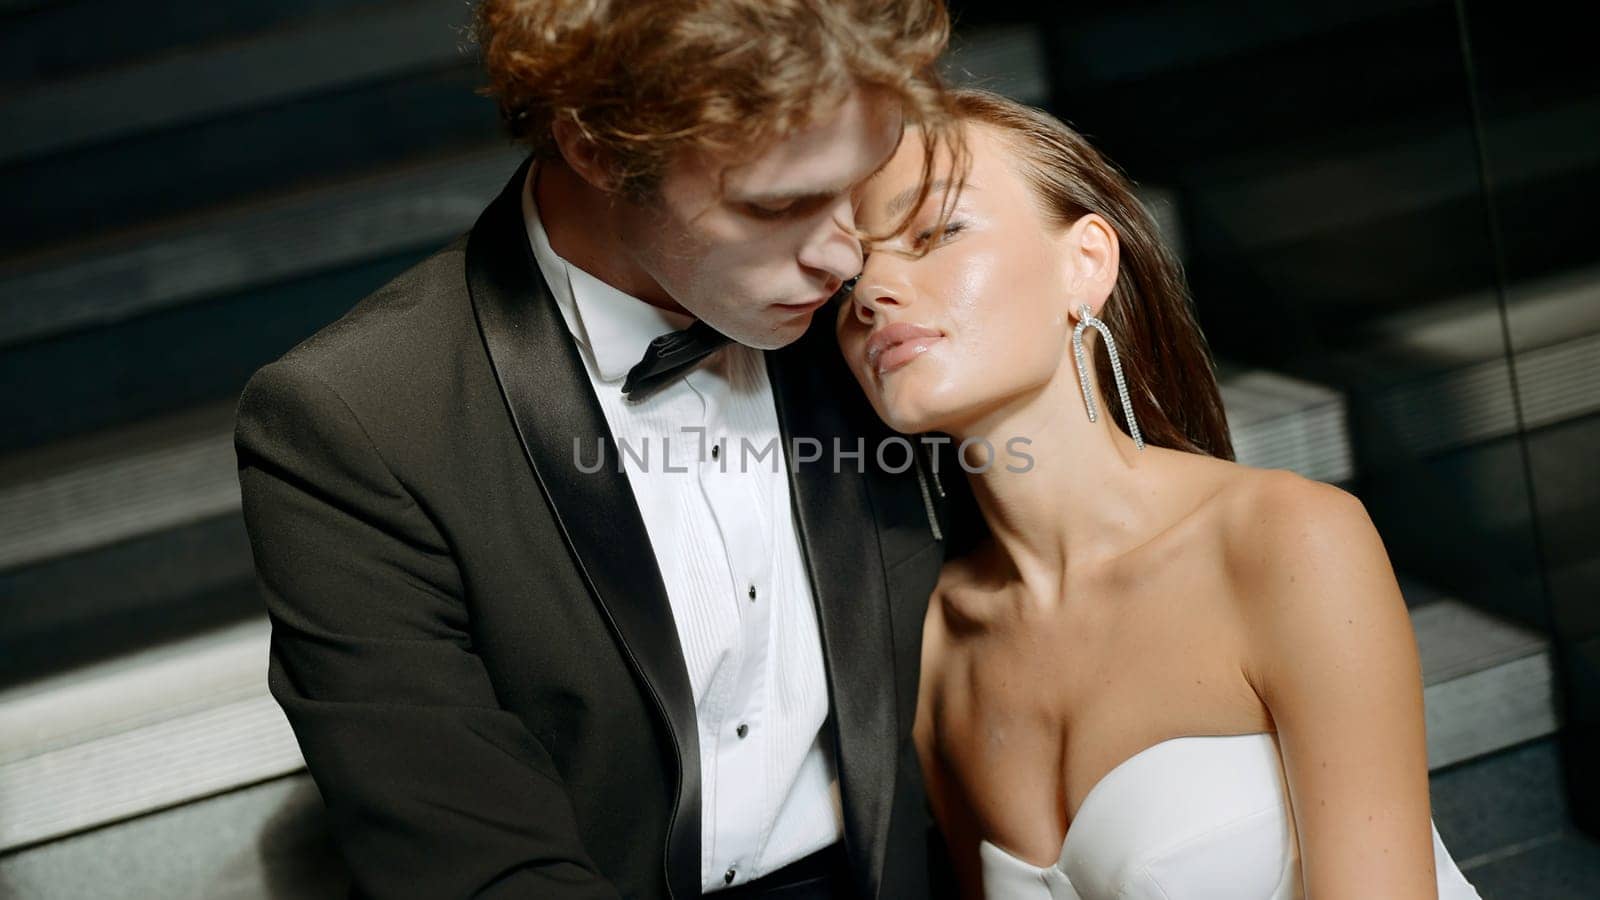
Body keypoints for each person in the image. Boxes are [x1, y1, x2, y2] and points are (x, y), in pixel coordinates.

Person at [233, 2, 962, 897]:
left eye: (860, 181)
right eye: (779, 206)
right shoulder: (354, 423)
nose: (847, 258)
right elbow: (478, 870)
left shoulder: (886, 320)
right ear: (597, 147)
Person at [834, 88, 1484, 900]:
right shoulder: (935, 646)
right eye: (849, 270)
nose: (871, 291)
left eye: (936, 233)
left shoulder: (1286, 539)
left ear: (1087, 264)